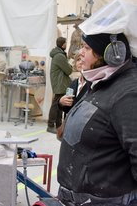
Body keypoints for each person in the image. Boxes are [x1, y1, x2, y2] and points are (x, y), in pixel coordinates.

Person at [58, 28, 137, 205]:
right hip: (78, 198)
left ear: (110, 54)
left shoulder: (128, 93)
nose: (81, 53)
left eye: (86, 47)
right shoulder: (99, 81)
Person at [47, 37, 72, 134]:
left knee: (59, 105)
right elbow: (69, 70)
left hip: (60, 82)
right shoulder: (59, 56)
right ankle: (50, 125)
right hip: (60, 83)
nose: (67, 45)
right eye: (66, 43)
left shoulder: (59, 55)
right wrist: (70, 65)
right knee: (55, 105)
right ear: (63, 44)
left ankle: (58, 125)